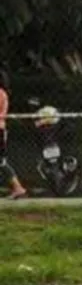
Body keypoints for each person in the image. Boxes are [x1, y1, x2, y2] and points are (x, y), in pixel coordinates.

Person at [0, 69, 28, 200]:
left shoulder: (1, 93)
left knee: (1, 162)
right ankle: (18, 188)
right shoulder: (4, 94)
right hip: (1, 129)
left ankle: (18, 188)